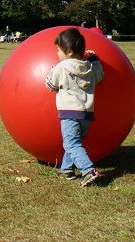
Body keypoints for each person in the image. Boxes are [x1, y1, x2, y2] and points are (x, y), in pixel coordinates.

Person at [45, 27, 104, 187]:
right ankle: (67, 170)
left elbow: (50, 85)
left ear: (69, 51)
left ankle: (88, 170)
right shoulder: (89, 68)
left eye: (58, 50)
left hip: (69, 113)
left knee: (71, 143)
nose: (57, 53)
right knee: (74, 142)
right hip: (86, 114)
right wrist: (94, 60)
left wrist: (50, 73)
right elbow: (100, 76)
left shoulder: (61, 67)